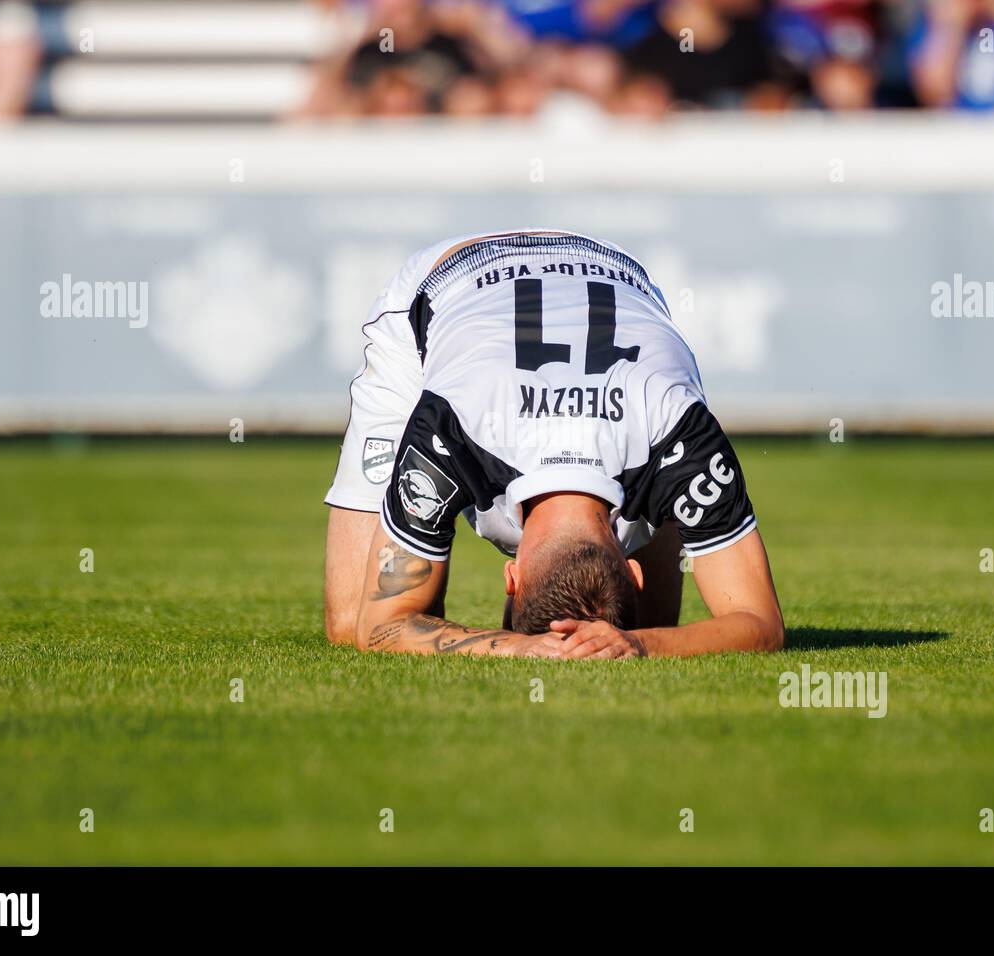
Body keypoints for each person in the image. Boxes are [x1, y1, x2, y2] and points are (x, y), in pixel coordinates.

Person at [324, 230, 783, 659]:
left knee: (655, 618)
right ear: (511, 579)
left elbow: (762, 624)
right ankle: (655, 518)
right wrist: (521, 645)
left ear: (513, 578)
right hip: (442, 288)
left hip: (611, 272)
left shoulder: (682, 432)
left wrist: (637, 642)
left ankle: (657, 516)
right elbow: (374, 625)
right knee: (349, 622)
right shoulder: (451, 423)